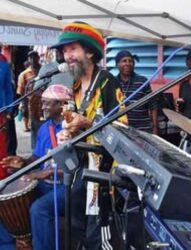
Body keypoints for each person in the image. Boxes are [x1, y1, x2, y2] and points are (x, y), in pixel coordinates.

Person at [51, 21, 128, 249]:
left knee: (99, 235)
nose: (67, 55)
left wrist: (87, 122)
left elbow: (122, 130)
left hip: (103, 174)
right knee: (76, 225)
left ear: (90, 52)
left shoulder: (107, 82)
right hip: (79, 169)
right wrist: (68, 133)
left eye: (73, 49)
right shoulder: (73, 86)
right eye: (64, 51)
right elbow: (72, 122)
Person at [0, 84, 72, 250]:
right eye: (42, 102)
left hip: (66, 187)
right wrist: (22, 162)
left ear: (61, 105)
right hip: (46, 184)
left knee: (38, 209)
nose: (42, 106)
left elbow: (76, 168)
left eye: (47, 103)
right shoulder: (45, 128)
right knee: (4, 193)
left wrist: (44, 173)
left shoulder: (73, 128)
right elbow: (37, 158)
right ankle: (8, 245)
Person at [115, 50, 159, 134]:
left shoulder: (142, 81)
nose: (128, 63)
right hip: (121, 131)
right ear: (117, 64)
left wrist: (155, 128)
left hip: (143, 131)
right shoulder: (113, 82)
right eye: (124, 61)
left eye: (130, 61)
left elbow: (153, 106)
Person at [16, 51, 41, 134]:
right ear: (28, 60)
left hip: (45, 105)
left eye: (35, 57)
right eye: (31, 58)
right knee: (35, 130)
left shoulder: (44, 70)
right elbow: (21, 91)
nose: (33, 59)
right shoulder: (24, 74)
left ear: (38, 58)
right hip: (32, 106)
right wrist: (23, 105)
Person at [0, 52, 14, 179]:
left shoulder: (4, 66)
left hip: (1, 114)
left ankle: (1, 177)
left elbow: (8, 90)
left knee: (1, 149)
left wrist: (9, 112)